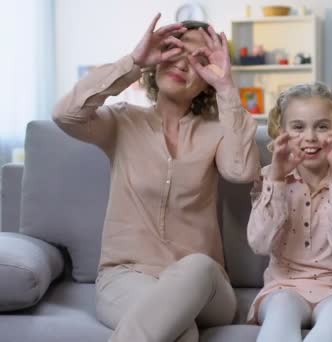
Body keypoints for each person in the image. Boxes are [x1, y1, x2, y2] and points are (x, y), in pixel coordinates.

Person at [52, 13, 260, 342]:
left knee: (198, 266)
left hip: (206, 287)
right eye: (174, 50)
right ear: (158, 59)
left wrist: (226, 87)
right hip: (126, 277)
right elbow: (65, 114)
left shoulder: (218, 132)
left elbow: (241, 170)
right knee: (181, 331)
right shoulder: (121, 122)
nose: (182, 63)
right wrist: (133, 61)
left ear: (206, 79)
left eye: (199, 60)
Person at [247, 82, 332, 342]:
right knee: (280, 314)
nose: (310, 137)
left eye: (322, 126)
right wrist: (277, 179)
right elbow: (259, 244)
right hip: (284, 285)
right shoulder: (269, 177)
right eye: (298, 127)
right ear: (281, 132)